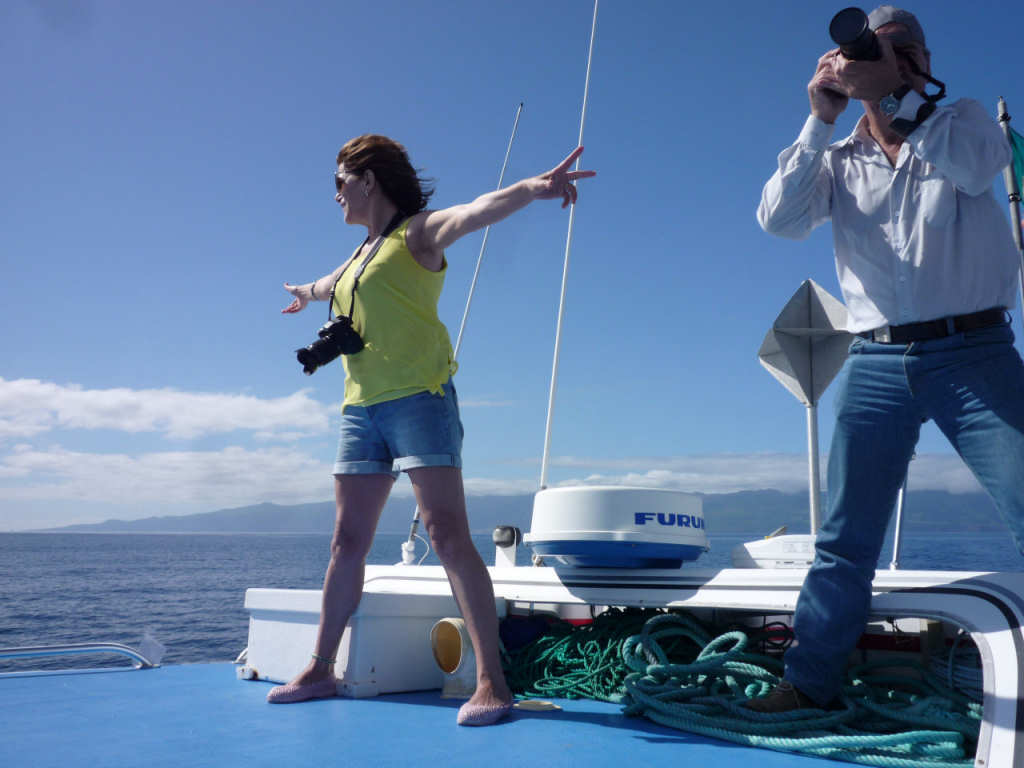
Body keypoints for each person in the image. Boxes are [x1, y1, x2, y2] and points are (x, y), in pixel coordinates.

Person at [268, 134, 595, 726]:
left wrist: (533, 187)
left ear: (368, 180)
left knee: (447, 535)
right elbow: (327, 285)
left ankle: (492, 683)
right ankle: (320, 669)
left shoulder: (416, 234)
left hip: (421, 399)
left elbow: (474, 213)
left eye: (339, 182)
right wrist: (303, 294)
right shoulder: (359, 254)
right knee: (346, 541)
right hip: (361, 409)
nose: (335, 194)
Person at [751, 6, 1024, 712]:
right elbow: (778, 220)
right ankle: (808, 683)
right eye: (876, 49)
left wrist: (891, 95)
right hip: (875, 360)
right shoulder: (838, 160)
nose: (889, 57)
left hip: (975, 352)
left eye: (903, 48)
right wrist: (821, 119)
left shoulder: (963, 123)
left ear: (924, 61)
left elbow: (978, 166)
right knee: (844, 539)